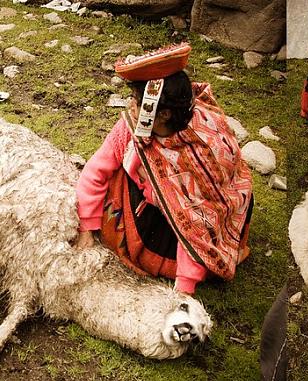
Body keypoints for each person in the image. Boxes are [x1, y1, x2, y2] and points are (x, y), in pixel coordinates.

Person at [74, 43, 254, 295]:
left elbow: (195, 219)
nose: (131, 107)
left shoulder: (203, 138)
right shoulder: (130, 130)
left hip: (186, 234)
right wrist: (87, 228)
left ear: (164, 114)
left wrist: (185, 286)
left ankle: (196, 264)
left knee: (173, 204)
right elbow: (95, 172)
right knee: (114, 172)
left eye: (137, 101)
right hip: (184, 216)